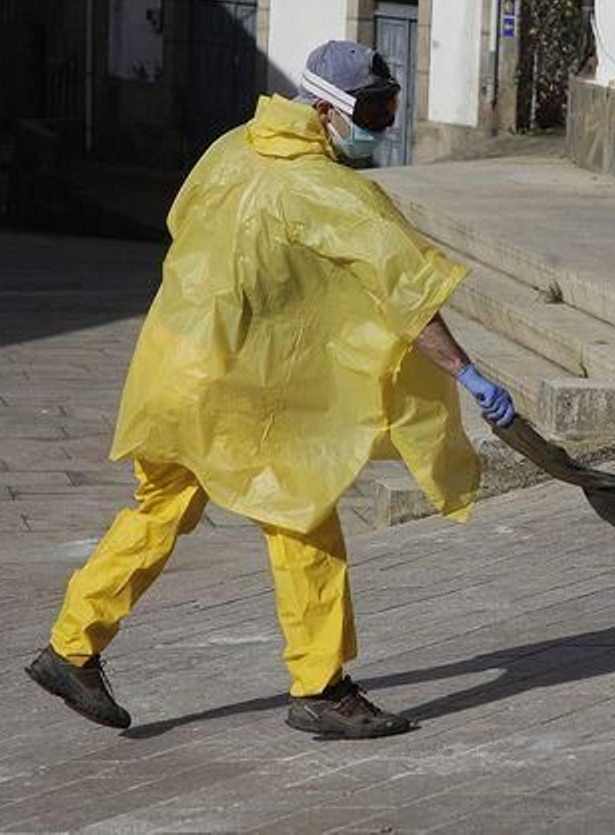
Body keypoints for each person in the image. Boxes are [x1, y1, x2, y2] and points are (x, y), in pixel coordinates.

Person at [25, 40, 516, 740]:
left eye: (390, 105)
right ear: (325, 107)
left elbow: (179, 225)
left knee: (159, 508)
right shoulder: (325, 188)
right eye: (375, 108)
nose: (383, 122)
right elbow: (408, 291)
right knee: (303, 514)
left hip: (175, 363)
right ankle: (322, 686)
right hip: (238, 387)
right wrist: (465, 371)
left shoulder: (228, 149)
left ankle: (72, 647)